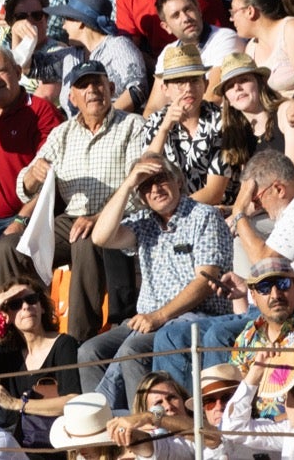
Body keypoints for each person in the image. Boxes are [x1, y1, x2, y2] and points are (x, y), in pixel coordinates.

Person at [0, 61, 144, 340]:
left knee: (85, 238)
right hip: (70, 219)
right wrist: (32, 177)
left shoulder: (132, 125)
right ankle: (22, 336)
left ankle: (76, 340)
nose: (92, 91)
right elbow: (22, 188)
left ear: (110, 88)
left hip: (117, 219)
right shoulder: (62, 133)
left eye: (97, 83)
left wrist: (99, 218)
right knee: (9, 247)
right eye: (82, 85)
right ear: (71, 97)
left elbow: (139, 189)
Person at [80, 149, 233, 407]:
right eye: (146, 185)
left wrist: (158, 316)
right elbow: (100, 237)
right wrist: (128, 184)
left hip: (195, 316)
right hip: (148, 320)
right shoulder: (144, 222)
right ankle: (106, 424)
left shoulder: (203, 216)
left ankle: (143, 429)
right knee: (89, 352)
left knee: (132, 351)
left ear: (178, 181)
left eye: (161, 178)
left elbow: (206, 282)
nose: (155, 189)